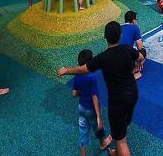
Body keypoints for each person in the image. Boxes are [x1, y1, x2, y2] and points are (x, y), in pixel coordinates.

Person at [58, 21, 144, 156]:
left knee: (121, 140)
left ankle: (119, 148)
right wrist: (136, 65)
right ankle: (116, 152)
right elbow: (141, 57)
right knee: (121, 128)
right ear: (120, 35)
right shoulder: (127, 49)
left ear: (105, 37)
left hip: (118, 101)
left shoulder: (103, 57)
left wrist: (66, 70)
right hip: (133, 94)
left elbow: (84, 69)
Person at [70, 49, 114, 155]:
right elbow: (94, 97)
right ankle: (103, 143)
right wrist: (99, 116)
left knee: (83, 132)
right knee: (98, 128)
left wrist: (83, 91)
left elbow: (74, 94)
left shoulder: (77, 75)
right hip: (90, 109)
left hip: (81, 108)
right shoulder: (91, 77)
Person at [119, 11, 144, 79]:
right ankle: (136, 70)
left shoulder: (119, 27)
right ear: (133, 20)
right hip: (126, 60)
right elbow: (140, 47)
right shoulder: (135, 27)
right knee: (143, 51)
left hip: (114, 58)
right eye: (136, 19)